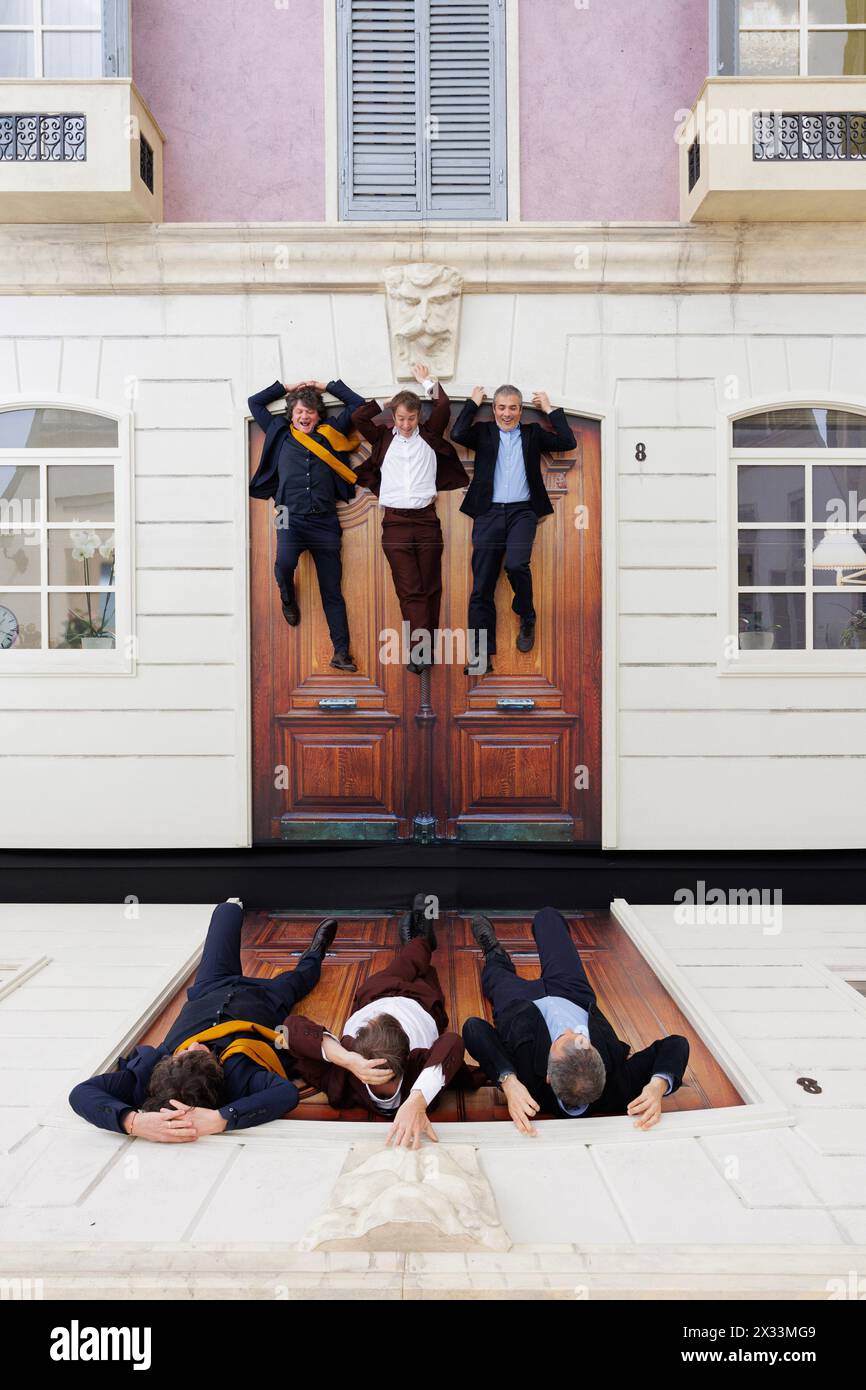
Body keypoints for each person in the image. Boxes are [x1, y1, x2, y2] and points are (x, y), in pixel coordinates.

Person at [68, 901, 337, 1142]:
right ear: (217, 1071)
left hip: (211, 986)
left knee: (227, 911)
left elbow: (80, 1094)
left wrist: (133, 1122)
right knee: (306, 975)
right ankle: (317, 951)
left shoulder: (145, 1076)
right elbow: (286, 1095)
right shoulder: (240, 1077)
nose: (195, 1043)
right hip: (267, 999)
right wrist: (222, 1119)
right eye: (199, 1053)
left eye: (182, 1053)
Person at [462, 908, 689, 1136]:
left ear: (549, 1076)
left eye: (562, 1041)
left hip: (520, 1005)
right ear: (600, 1067)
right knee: (547, 917)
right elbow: (676, 1043)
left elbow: (474, 1028)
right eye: (582, 1041)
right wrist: (657, 1085)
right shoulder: (617, 1084)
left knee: (495, 974)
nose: (570, 1030)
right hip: (572, 993)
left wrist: (508, 1082)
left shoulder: (529, 1086)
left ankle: (494, 953)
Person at [284, 894, 465, 1148]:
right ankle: (422, 938)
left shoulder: (342, 1074)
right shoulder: (418, 1065)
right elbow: (453, 1042)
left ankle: (417, 942)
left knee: (405, 964)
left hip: (375, 994)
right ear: (408, 1053)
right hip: (420, 1000)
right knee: (419, 965)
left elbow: (287, 1029)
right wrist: (416, 1100)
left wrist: (347, 1060)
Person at [352, 363, 469, 673]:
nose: (405, 424)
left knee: (431, 587)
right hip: (394, 523)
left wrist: (426, 381)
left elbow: (442, 404)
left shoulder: (429, 435)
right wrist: (385, 402)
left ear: (419, 416)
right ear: (394, 416)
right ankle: (420, 650)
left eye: (411, 418)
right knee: (410, 589)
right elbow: (357, 417)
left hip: (427, 521)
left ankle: (423, 649)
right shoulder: (382, 439)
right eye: (401, 418)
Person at [451, 385, 576, 673]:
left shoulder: (532, 434)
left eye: (513, 408)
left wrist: (549, 409)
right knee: (482, 584)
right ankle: (482, 656)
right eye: (502, 407)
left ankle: (527, 615)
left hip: (523, 511)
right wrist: (471, 404)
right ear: (494, 409)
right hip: (488, 512)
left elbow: (568, 441)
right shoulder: (483, 432)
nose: (507, 414)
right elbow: (457, 433)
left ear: (520, 410)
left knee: (518, 565)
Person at [248, 377, 366, 672]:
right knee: (285, 562)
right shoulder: (278, 432)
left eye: (310, 412)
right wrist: (284, 388)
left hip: (325, 520)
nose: (304, 417)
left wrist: (329, 385)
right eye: (300, 411)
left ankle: (341, 653)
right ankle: (287, 595)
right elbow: (254, 403)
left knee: (332, 590)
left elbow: (358, 406)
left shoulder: (331, 433)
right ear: (292, 413)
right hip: (288, 514)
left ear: (318, 415)